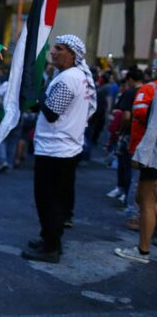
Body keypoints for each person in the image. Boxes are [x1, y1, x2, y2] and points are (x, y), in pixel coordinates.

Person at [21, 34, 96, 263]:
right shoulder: (75, 76)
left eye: (59, 48)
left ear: (72, 55)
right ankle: (49, 239)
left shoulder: (67, 79)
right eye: (54, 47)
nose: (53, 51)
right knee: (55, 199)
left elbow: (52, 113)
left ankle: (51, 247)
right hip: (63, 149)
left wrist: (40, 93)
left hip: (56, 150)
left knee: (48, 200)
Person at [115, 80, 157, 263]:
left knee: (147, 200)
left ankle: (142, 251)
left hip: (153, 156)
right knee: (144, 198)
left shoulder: (151, 89)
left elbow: (153, 128)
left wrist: (143, 154)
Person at [106, 68, 144, 230]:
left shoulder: (131, 93)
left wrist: (120, 130)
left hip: (132, 136)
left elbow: (127, 116)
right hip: (142, 138)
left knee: (126, 165)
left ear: (129, 80)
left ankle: (125, 195)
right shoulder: (146, 90)